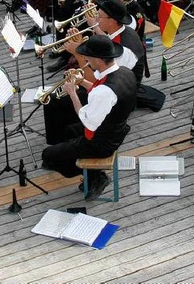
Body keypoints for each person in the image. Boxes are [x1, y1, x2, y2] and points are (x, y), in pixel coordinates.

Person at [41, 35, 137, 200]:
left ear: (99, 60)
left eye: (88, 57)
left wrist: (72, 93)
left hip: (102, 142)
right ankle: (92, 174)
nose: (85, 59)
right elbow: (102, 92)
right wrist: (82, 81)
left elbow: (86, 121)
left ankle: (95, 177)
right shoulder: (124, 72)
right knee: (69, 131)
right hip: (115, 129)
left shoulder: (104, 92)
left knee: (48, 156)